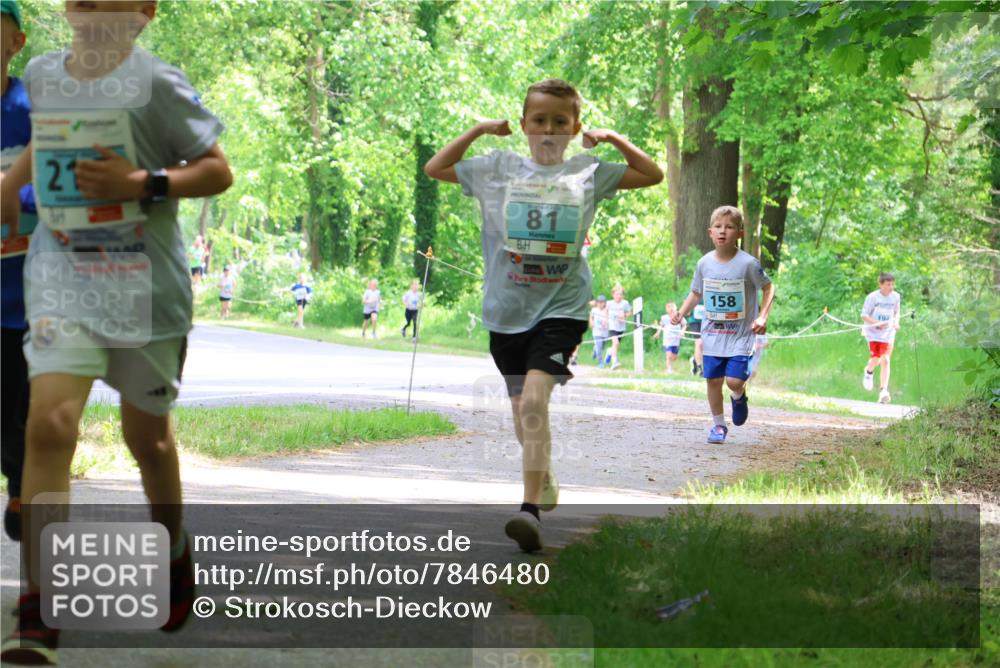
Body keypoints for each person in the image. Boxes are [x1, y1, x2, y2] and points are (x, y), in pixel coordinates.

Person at [0, 2, 232, 661]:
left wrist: (142, 182)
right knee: (48, 425)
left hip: (144, 286)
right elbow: (47, 140)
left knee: (148, 441)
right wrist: (10, 186)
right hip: (61, 272)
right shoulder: (45, 74)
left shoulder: (160, 84)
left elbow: (216, 170)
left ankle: (176, 551)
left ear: (144, 12)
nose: (94, 10)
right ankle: (38, 609)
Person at [424, 77, 663, 552]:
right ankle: (543, 474)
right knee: (522, 412)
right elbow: (436, 167)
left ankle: (529, 511)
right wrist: (477, 129)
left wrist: (613, 139)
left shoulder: (588, 172)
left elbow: (652, 174)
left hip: (563, 307)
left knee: (534, 404)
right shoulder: (497, 169)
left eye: (560, 121)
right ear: (524, 124)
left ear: (575, 126)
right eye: (539, 121)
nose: (549, 130)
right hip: (506, 310)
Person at [673, 206, 774, 445]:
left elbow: (769, 287)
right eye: (718, 227)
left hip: (740, 334)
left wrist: (763, 317)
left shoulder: (748, 264)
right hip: (713, 334)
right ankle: (718, 425)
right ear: (710, 232)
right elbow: (696, 293)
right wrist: (681, 312)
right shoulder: (704, 263)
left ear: (739, 233)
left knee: (733, 381)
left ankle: (738, 396)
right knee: (713, 381)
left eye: (729, 227)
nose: (722, 232)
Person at [1, 0, 35, 543]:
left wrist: (14, 195)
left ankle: (21, 490)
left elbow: (62, 181)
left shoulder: (34, 109)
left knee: (16, 405)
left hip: (20, 296)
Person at [861, 272, 901, 404]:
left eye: (892, 284)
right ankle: (869, 371)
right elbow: (864, 315)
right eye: (888, 284)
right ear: (881, 285)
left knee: (886, 359)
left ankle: (884, 391)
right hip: (873, 332)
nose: (891, 287)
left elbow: (896, 312)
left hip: (888, 333)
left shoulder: (895, 297)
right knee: (876, 358)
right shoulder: (873, 297)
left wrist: (896, 322)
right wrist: (876, 324)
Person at [651, 301, 685, 373]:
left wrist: (682, 331)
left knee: (674, 357)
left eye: (672, 306)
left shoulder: (679, 316)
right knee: (668, 354)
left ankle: (671, 363)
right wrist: (658, 333)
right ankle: (669, 368)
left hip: (676, 339)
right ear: (666, 309)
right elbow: (661, 326)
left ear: (676, 308)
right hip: (667, 339)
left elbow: (684, 324)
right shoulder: (664, 318)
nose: (671, 308)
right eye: (669, 307)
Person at [606, 285, 631, 370]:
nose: (619, 296)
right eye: (617, 294)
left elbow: (629, 313)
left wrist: (623, 315)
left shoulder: (625, 303)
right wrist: (605, 320)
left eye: (620, 294)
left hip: (621, 327)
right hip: (612, 327)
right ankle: (614, 362)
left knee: (616, 345)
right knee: (615, 343)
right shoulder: (609, 303)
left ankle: (609, 352)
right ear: (613, 295)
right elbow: (605, 312)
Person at [589, 296, 610, 368]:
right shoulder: (594, 310)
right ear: (597, 303)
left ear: (605, 303)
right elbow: (591, 317)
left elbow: (608, 318)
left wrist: (606, 322)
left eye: (602, 302)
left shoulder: (607, 310)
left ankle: (595, 350)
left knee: (602, 347)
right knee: (599, 347)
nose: (600, 304)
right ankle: (600, 363)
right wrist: (591, 322)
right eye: (599, 302)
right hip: (596, 332)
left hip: (604, 332)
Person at [688, 300, 705, 376]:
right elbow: (687, 311)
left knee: (705, 345)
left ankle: (695, 360)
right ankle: (700, 369)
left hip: (707, 321)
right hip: (694, 321)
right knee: (699, 342)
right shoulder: (691, 293)